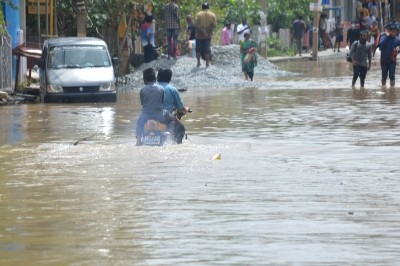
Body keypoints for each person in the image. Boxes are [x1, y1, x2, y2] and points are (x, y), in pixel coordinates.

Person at [157, 68, 190, 144]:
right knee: (181, 129)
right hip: (165, 116)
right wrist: (187, 109)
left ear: (157, 77)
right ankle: (177, 145)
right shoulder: (172, 89)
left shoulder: (152, 88)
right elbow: (181, 109)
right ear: (170, 78)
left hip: (150, 115)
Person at [135, 68, 166, 146]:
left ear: (144, 80)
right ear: (155, 79)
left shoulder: (142, 90)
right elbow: (162, 102)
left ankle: (138, 141)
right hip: (159, 115)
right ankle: (167, 138)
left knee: (139, 124)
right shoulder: (161, 88)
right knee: (168, 123)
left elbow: (143, 103)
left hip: (146, 115)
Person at [376, 23, 400, 91]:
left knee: (392, 76)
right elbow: (380, 45)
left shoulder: (397, 40)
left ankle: (392, 90)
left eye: (395, 31)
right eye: (392, 31)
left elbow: (399, 49)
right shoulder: (383, 37)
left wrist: (397, 51)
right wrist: (388, 36)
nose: (394, 32)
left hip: (392, 61)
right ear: (389, 31)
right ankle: (383, 88)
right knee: (384, 76)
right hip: (384, 61)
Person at [195, 2, 217, 68]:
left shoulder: (198, 14)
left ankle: (198, 63)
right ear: (208, 7)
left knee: (198, 50)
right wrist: (206, 31)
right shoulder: (212, 14)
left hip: (199, 35)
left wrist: (202, 31)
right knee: (207, 49)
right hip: (208, 35)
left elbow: (196, 24)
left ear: (202, 7)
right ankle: (207, 64)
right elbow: (214, 25)